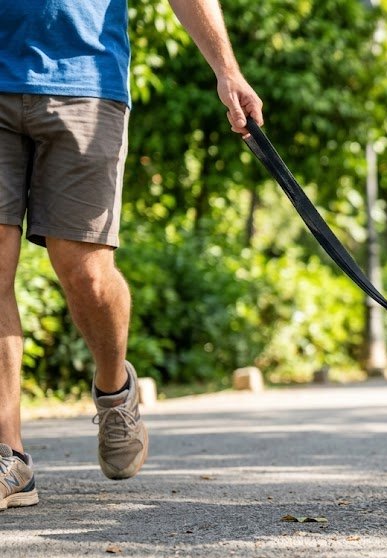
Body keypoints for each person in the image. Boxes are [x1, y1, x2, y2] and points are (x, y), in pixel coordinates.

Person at [1, 0, 263, 510]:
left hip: (85, 80)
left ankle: (114, 387)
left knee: (86, 273)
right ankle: (9, 455)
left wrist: (226, 70)